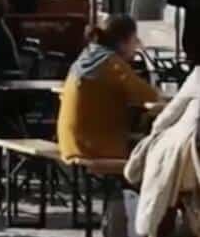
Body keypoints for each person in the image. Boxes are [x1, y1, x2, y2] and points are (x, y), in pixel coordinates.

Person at [58, 14, 164, 160]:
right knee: (158, 146)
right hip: (95, 147)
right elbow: (150, 97)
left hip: (69, 143)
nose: (137, 44)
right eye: (135, 40)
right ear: (123, 42)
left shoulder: (85, 58)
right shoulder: (113, 64)